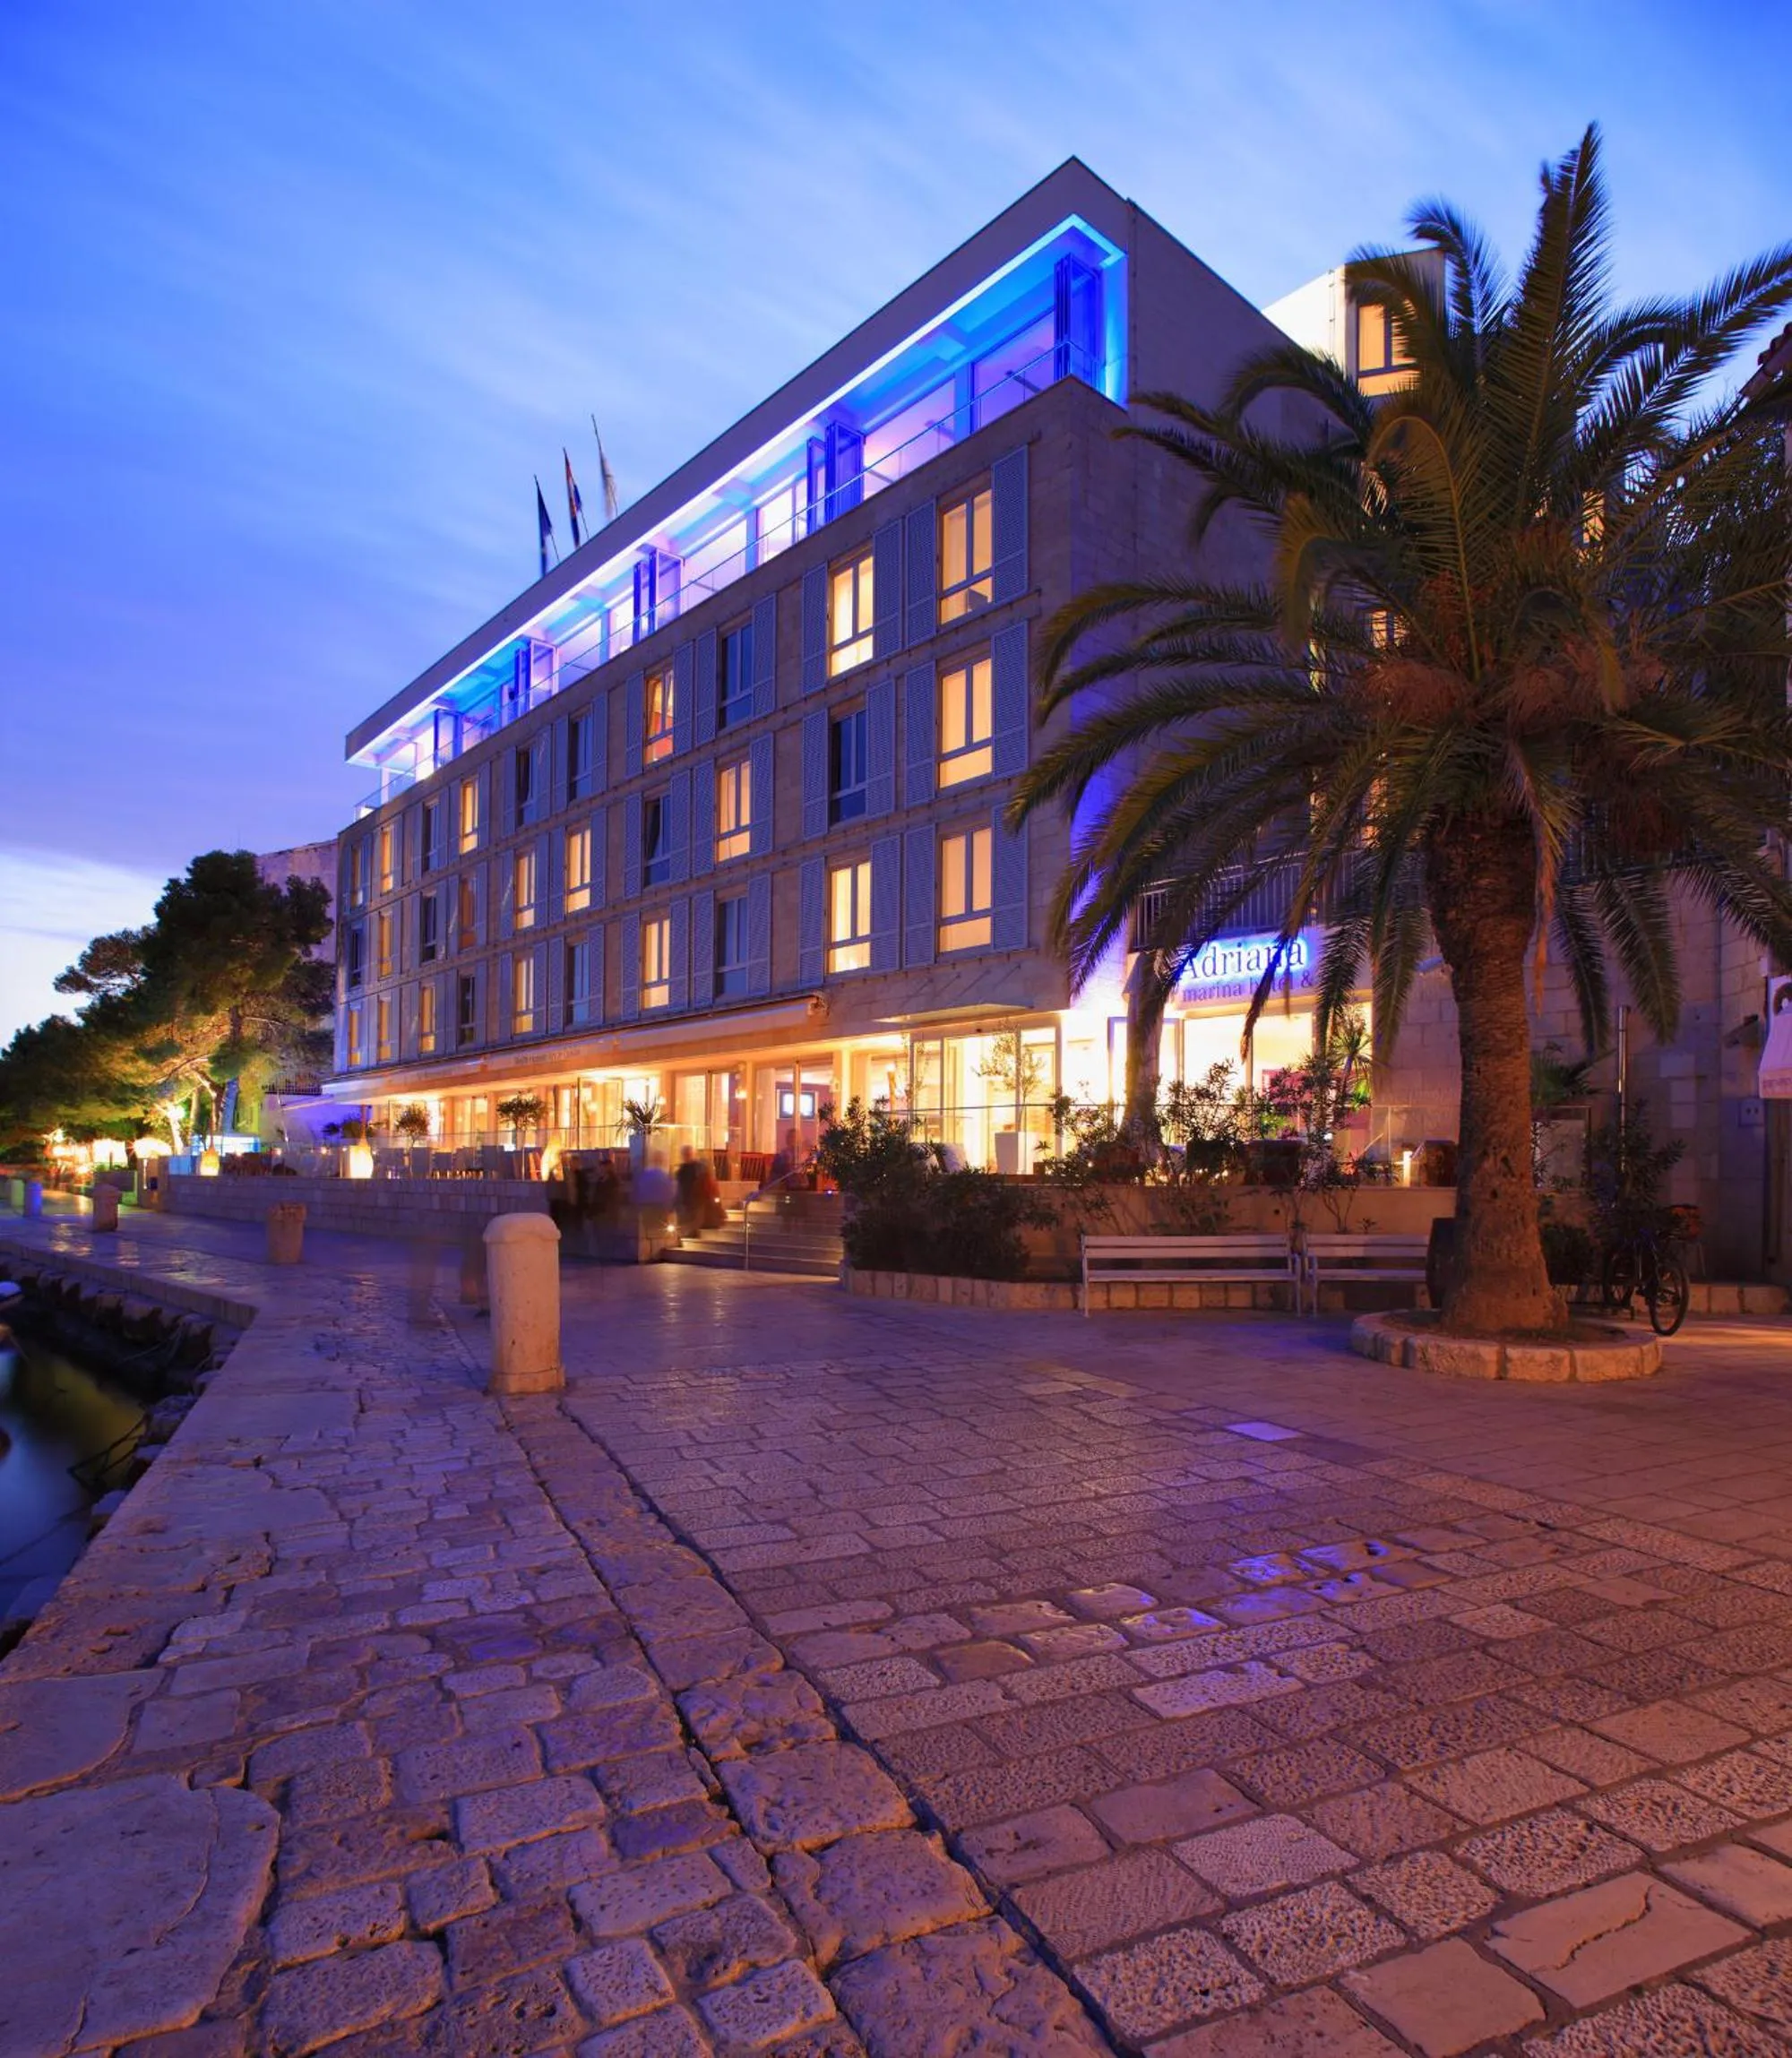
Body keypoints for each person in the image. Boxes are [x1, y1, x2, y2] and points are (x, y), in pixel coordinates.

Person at [674, 1145, 702, 1235]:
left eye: (688, 1154)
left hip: (695, 1199)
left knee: (693, 1219)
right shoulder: (682, 1169)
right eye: (685, 1154)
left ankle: (692, 1233)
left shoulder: (698, 1167)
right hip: (685, 1198)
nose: (687, 1156)